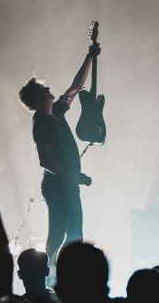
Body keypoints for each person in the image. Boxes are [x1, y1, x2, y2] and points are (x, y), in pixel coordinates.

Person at [18, 41, 100, 272]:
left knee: (74, 232)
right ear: (38, 98)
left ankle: (60, 272)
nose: (49, 89)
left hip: (67, 183)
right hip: (58, 184)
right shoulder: (42, 123)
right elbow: (45, 160)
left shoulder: (56, 112)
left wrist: (90, 57)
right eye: (45, 89)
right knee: (61, 231)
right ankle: (48, 273)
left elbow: (77, 86)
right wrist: (74, 176)